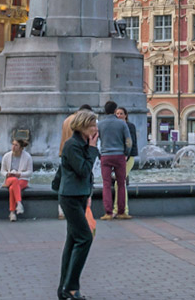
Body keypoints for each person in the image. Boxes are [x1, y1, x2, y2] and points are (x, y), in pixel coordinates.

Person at [57, 109, 100, 300]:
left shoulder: (81, 144)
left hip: (79, 196)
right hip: (70, 197)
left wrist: (88, 194)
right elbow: (83, 170)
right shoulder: (72, 145)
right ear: (82, 126)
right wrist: (91, 148)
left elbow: (86, 175)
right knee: (85, 238)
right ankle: (71, 287)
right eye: (92, 125)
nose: (96, 128)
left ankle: (64, 288)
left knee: (73, 241)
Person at [97, 98, 132, 220]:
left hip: (105, 156)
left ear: (105, 111)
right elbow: (128, 141)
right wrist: (125, 153)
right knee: (121, 183)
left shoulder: (99, 124)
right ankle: (121, 212)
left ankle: (108, 212)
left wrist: (99, 154)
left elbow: (94, 140)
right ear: (115, 110)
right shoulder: (122, 123)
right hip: (119, 155)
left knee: (106, 184)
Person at [0, 138, 33, 221]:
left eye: (16, 145)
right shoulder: (6, 156)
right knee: (14, 180)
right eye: (13, 144)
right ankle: (19, 203)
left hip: (22, 180)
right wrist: (7, 174)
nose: (13, 147)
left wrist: (20, 174)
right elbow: (2, 171)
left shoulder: (27, 156)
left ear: (21, 148)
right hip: (10, 178)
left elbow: (30, 172)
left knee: (12, 188)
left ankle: (12, 213)